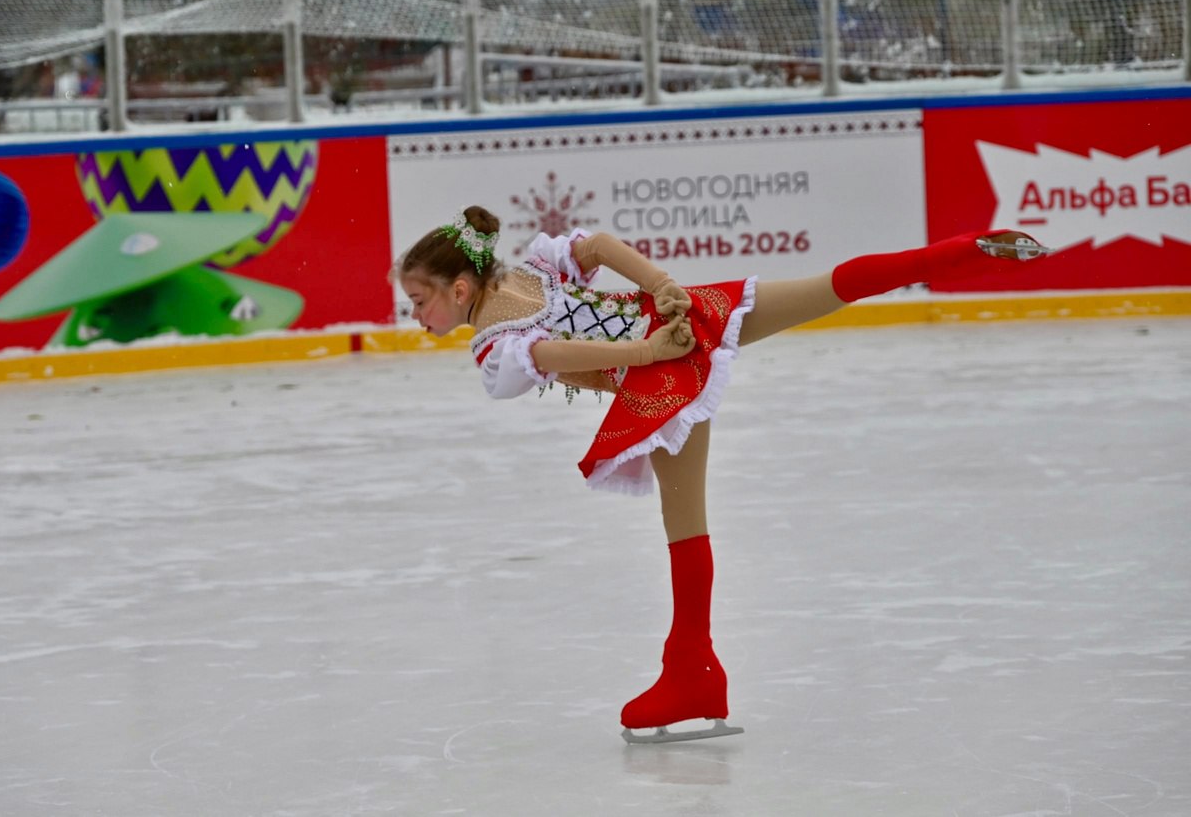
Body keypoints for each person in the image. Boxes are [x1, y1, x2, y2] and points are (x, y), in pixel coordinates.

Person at [395, 206, 1045, 744]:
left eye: (420, 301)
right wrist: (663, 287)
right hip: (688, 316)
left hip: (660, 372)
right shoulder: (534, 270)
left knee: (685, 524)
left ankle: (693, 674)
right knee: (822, 289)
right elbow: (597, 248)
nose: (416, 317)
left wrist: (647, 350)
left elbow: (549, 351)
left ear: (459, 290)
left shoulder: (493, 347)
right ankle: (957, 252)